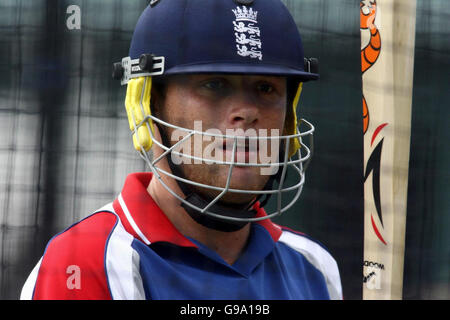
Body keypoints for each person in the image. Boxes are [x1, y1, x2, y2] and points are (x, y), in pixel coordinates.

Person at [21, 0, 342, 300]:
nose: (247, 111)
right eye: (214, 84)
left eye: (266, 88)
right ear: (149, 106)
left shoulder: (314, 269)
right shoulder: (83, 263)